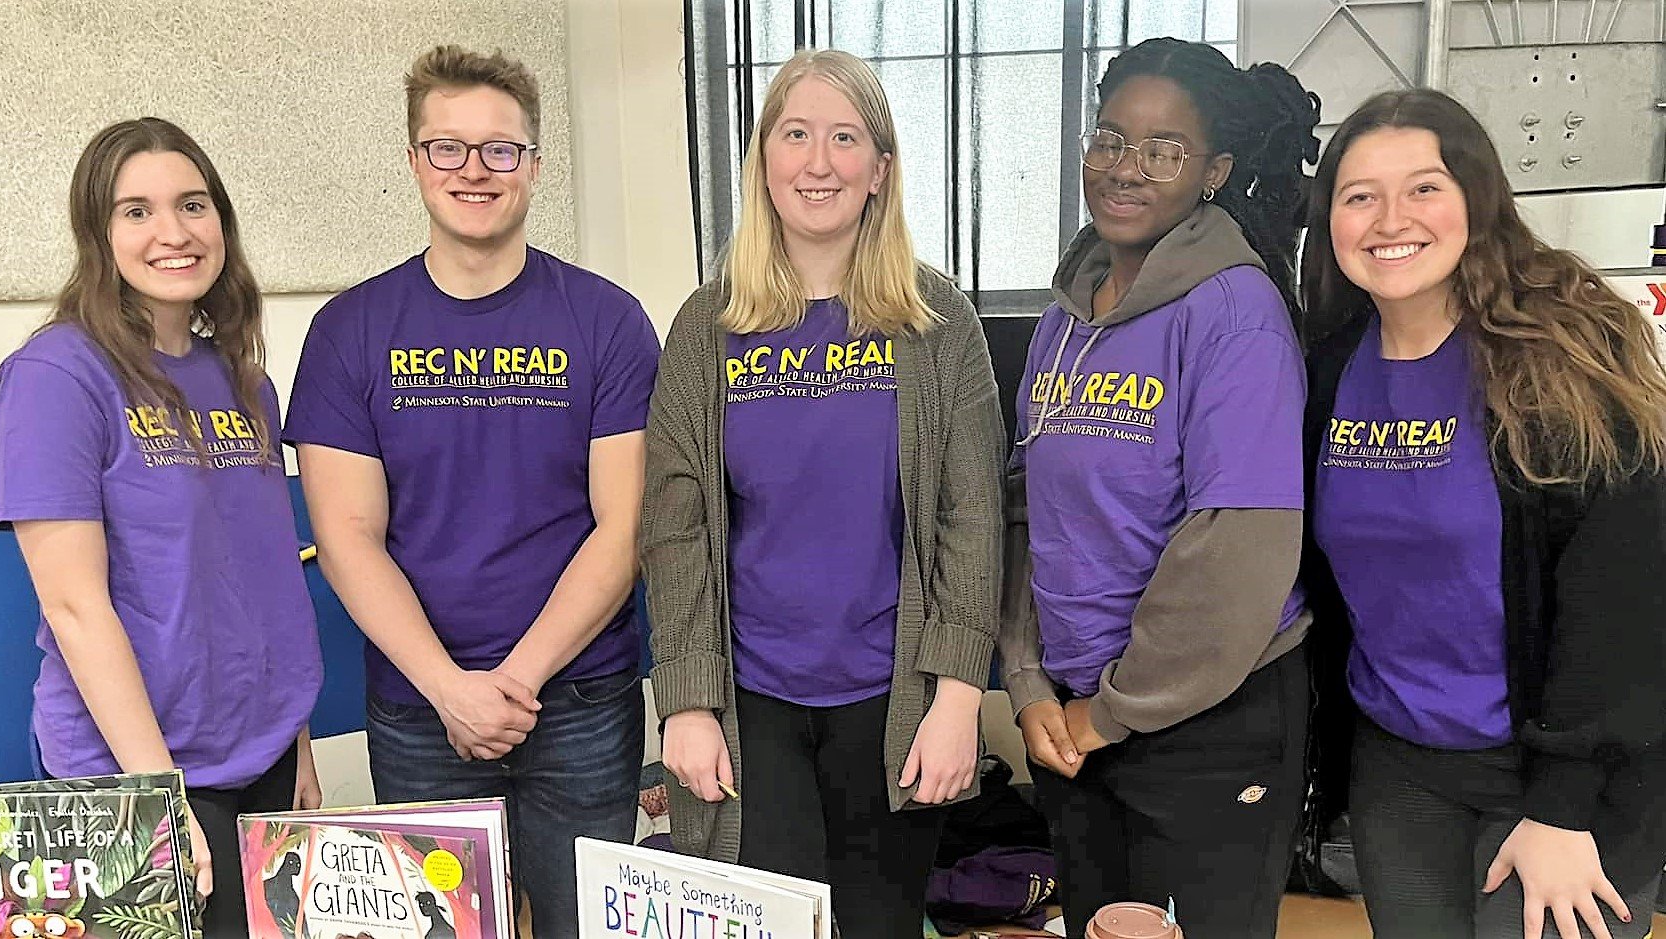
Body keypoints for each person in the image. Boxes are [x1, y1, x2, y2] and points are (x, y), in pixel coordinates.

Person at [284, 45, 659, 938]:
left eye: (501, 149)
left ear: (534, 164)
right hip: (419, 708)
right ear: (414, 161)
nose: (474, 170)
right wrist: (451, 689)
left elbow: (625, 526)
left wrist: (513, 681)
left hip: (580, 700)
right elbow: (345, 537)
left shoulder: (607, 320)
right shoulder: (350, 331)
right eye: (447, 147)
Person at [642, 48, 1004, 939]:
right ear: (762, 159)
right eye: (795, 134)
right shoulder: (708, 323)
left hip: (892, 700)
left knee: (880, 926)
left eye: (845, 138)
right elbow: (676, 523)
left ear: (879, 169)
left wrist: (958, 696)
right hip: (751, 696)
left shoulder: (938, 322)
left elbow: (973, 517)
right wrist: (685, 700)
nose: (818, 162)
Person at [1301, 87, 1666, 939]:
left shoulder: (1563, 356)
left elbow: (1628, 599)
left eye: (1424, 186)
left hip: (1560, 775)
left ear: (1476, 197)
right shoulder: (1326, 371)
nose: (1392, 217)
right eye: (1360, 196)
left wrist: (1565, 805)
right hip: (1402, 769)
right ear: (1333, 223)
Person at [997, 37, 1322, 939]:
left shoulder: (1235, 312)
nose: (1124, 168)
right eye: (1109, 138)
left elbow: (1235, 554)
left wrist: (1107, 711)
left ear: (1212, 171)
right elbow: (1030, 515)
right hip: (1076, 723)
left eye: (1162, 149)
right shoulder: (1069, 316)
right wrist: (1028, 683)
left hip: (1208, 724)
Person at [0, 117, 324, 936]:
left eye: (193, 204)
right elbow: (74, 608)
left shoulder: (243, 382)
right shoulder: (56, 377)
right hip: (134, 774)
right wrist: (154, 797)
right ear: (98, 234)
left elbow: (262, 577)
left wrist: (296, 735)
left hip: (261, 756)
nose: (173, 232)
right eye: (137, 211)